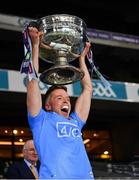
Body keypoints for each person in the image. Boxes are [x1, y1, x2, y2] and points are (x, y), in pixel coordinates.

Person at [26, 26, 94, 179]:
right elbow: (33, 82)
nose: (66, 101)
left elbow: (88, 89)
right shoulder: (40, 120)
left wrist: (81, 59)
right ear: (48, 106)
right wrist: (36, 45)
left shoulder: (76, 122)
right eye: (59, 98)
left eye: (68, 99)